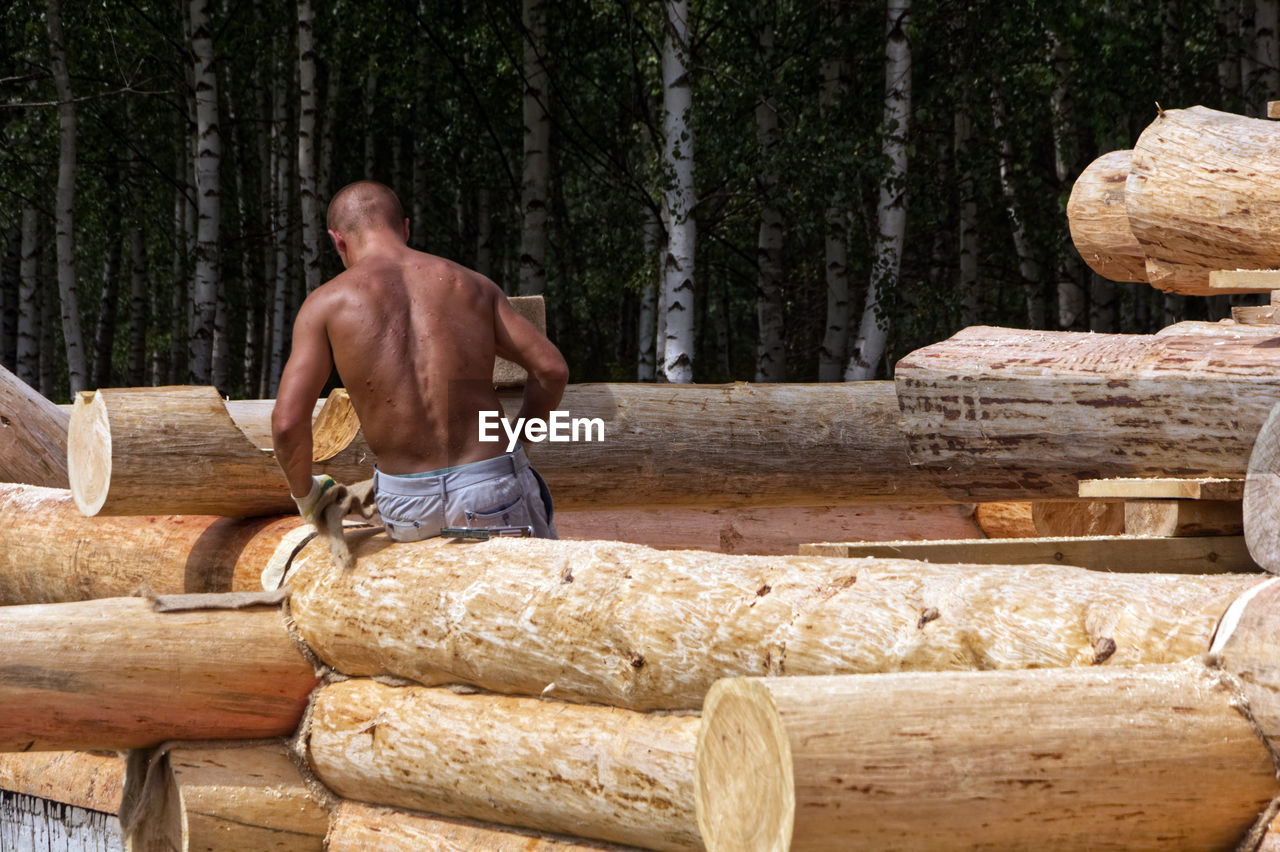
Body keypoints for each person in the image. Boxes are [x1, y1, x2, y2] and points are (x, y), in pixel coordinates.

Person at [271, 180, 568, 542]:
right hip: (490, 485)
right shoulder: (470, 284)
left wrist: (307, 496)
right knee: (531, 597)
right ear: (405, 228)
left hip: (406, 504)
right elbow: (551, 369)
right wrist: (519, 438)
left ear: (338, 241)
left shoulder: (325, 305)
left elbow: (287, 425)